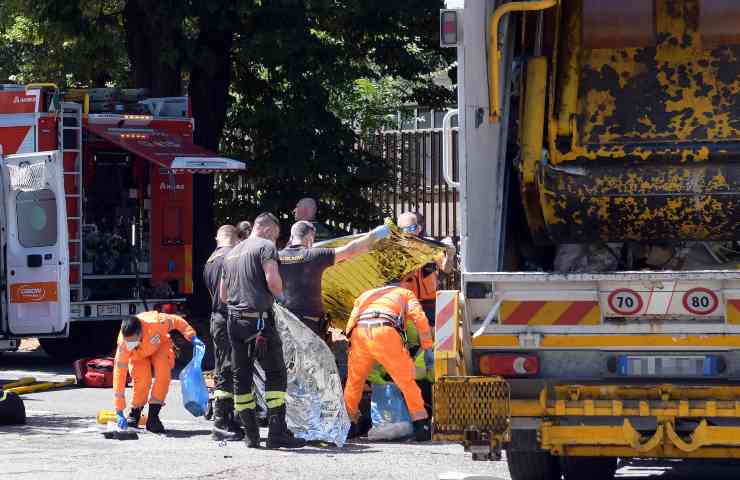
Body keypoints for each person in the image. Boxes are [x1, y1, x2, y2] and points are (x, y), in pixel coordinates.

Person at [220, 212, 305, 449]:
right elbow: (272, 280)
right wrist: (283, 299)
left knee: (241, 378)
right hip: (259, 322)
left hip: (234, 322)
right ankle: (277, 434)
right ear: (269, 230)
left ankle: (251, 436)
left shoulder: (231, 253)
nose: (276, 241)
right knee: (276, 373)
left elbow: (223, 295)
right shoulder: (265, 247)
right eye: (276, 236)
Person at [343, 285, 435, 441]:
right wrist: (427, 346)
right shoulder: (406, 293)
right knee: (406, 381)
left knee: (354, 384)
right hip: (385, 333)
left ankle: (347, 427)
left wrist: (353, 345)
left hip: (359, 335)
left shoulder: (364, 294)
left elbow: (350, 325)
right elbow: (419, 317)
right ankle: (421, 427)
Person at [278, 220, 391, 336]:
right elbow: (350, 250)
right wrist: (377, 233)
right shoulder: (315, 255)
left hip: (287, 323)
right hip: (310, 326)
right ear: (310, 238)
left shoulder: (277, 257)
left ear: (291, 236)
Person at [112, 312, 204, 433]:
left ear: (140, 333)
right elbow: (119, 375)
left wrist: (192, 336)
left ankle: (153, 417)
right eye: (127, 341)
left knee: (163, 376)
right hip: (138, 355)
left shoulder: (158, 323)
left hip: (160, 346)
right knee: (142, 381)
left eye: (132, 341)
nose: (129, 345)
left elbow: (177, 321)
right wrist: (119, 411)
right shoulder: (124, 345)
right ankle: (135, 414)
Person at [203, 224, 243, 441]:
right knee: (229, 370)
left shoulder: (210, 260)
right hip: (228, 318)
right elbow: (227, 295)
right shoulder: (230, 258)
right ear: (235, 238)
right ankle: (222, 422)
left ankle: (227, 419)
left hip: (217, 319)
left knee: (224, 368)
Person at [397, 211, 454, 325]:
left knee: (432, 335)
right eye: (406, 229)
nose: (410, 232)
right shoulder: (396, 249)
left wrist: (450, 255)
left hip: (430, 301)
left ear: (419, 228)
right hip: (406, 301)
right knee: (409, 338)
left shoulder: (429, 245)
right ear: (400, 231)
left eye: (413, 228)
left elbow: (446, 269)